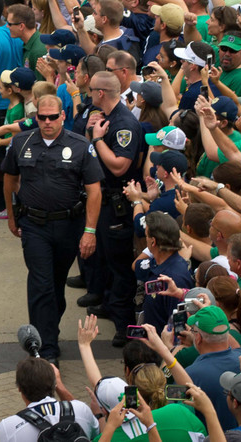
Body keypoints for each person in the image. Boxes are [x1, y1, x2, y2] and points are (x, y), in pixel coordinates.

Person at [1, 93, 102, 362]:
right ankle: (45, 349)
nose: (46, 122)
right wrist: (12, 217)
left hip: (69, 225)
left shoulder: (80, 145)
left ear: (63, 116)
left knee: (56, 285)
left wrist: (89, 231)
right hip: (34, 225)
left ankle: (49, 330)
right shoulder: (21, 142)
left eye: (52, 117)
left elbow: (94, 191)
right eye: (41, 117)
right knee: (41, 284)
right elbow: (9, 179)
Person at [85, 71, 144, 346]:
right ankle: (110, 305)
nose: (88, 92)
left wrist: (97, 140)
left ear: (100, 93)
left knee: (120, 265)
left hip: (118, 203)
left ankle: (125, 325)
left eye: (90, 89)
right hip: (106, 200)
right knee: (108, 260)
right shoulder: (107, 118)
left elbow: (120, 164)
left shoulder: (123, 124)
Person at [0, 357, 99, 442]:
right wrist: (59, 384)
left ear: (19, 388)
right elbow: (96, 435)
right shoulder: (81, 409)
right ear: (54, 385)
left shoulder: (8, 426)